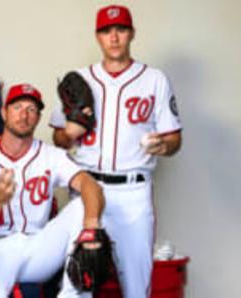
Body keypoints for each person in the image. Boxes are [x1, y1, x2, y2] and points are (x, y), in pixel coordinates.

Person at [49, 4, 182, 298]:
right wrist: (68, 133)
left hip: (133, 193)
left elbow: (175, 139)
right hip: (86, 190)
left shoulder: (154, 80)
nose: (114, 37)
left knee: (136, 288)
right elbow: (58, 139)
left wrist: (165, 145)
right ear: (97, 36)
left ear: (131, 33)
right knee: (76, 284)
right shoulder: (80, 79)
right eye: (106, 31)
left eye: (120, 30)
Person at [0, 83, 106, 298]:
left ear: (38, 118)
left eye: (32, 109)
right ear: (3, 112)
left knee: (85, 203)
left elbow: (89, 184)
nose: (24, 115)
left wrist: (91, 226)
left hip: (38, 248)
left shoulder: (50, 155)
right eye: (17, 107)